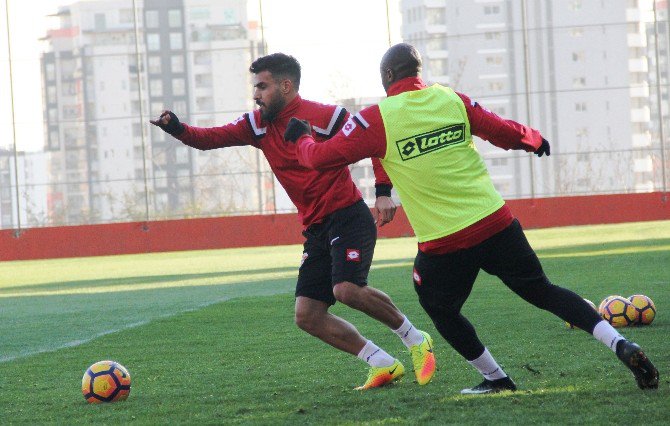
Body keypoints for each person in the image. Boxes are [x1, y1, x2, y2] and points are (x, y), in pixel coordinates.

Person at [284, 43, 659, 394]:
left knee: (440, 308)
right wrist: (533, 139)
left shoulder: (378, 117)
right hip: (496, 223)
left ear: (385, 79)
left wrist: (301, 137)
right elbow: (500, 130)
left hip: (445, 244)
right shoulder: (451, 99)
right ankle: (620, 343)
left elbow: (320, 158)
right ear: (418, 70)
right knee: (544, 291)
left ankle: (495, 378)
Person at [150, 52, 435, 390]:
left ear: (286, 86)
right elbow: (210, 138)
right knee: (308, 315)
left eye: (262, 86)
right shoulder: (256, 125)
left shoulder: (325, 116)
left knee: (345, 289)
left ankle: (415, 338)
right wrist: (177, 128)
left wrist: (383, 190)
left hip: (348, 216)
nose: (256, 95)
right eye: (255, 87)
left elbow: (372, 141)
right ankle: (382, 363)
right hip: (316, 229)